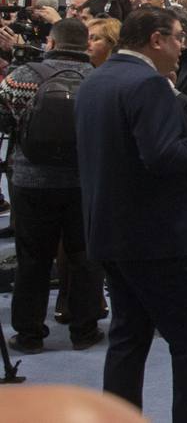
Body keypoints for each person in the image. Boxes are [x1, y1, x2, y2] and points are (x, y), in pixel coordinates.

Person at [76, 6, 187, 423]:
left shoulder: (97, 79)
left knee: (128, 339)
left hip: (110, 234)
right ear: (156, 39)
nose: (183, 47)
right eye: (178, 38)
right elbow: (164, 157)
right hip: (161, 242)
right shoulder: (148, 85)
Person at [3, 19, 102, 355]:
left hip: (31, 181)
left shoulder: (23, 76)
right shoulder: (99, 80)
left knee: (33, 258)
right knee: (84, 255)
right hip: (83, 181)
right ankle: (84, 329)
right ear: (87, 43)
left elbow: (5, 120)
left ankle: (29, 334)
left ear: (50, 41)